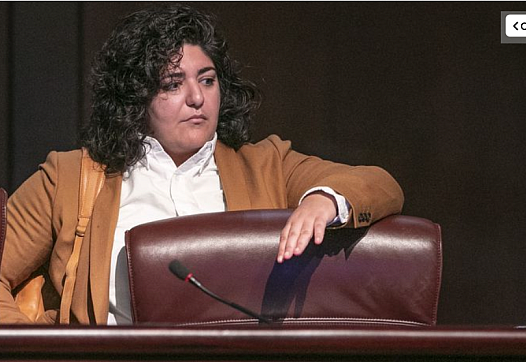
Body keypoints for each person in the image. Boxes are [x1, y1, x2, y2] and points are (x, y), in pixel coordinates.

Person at [0, 4, 404, 325]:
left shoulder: (265, 164)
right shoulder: (70, 178)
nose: (197, 98)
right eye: (173, 84)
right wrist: (32, 352)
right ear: (134, 96)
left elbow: (380, 184)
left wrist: (323, 200)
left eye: (207, 80)